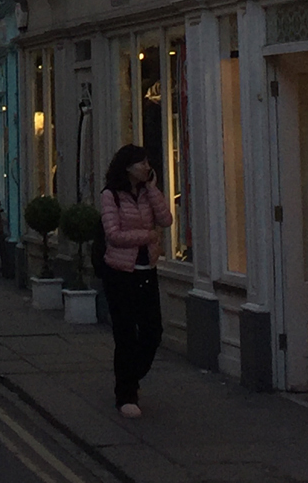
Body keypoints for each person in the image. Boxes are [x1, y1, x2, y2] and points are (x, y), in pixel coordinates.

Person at [99, 144, 173, 419]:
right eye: (141, 163)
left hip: (146, 270)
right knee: (126, 334)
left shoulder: (146, 194)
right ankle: (125, 393)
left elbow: (166, 220)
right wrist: (147, 236)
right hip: (119, 272)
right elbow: (114, 235)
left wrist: (152, 189)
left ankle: (131, 377)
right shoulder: (111, 196)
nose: (146, 166)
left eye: (147, 162)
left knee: (153, 332)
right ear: (127, 167)